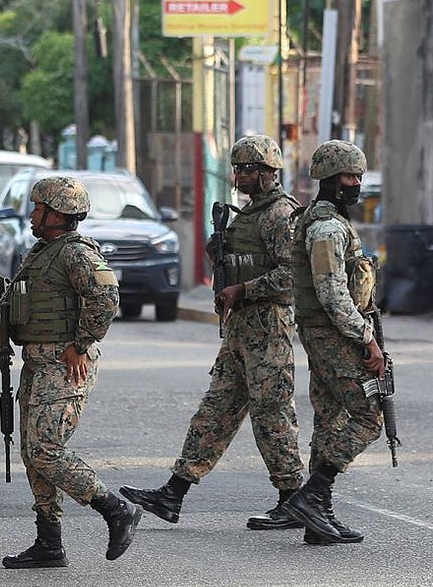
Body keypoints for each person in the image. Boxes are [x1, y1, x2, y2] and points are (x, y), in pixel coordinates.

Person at [120, 135, 304, 530]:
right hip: (240, 331)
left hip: (268, 331)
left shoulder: (281, 215)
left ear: (270, 172)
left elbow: (293, 276)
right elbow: (243, 260)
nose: (240, 176)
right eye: (236, 168)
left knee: (272, 415)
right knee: (214, 412)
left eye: (248, 169)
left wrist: (245, 289)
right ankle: (174, 492)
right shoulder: (248, 213)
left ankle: (293, 499)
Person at [0, 175, 141, 568]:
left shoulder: (75, 254)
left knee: (46, 450)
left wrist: (81, 343)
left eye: (38, 209)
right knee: (33, 453)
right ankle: (49, 542)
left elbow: (107, 297)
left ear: (57, 214)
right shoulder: (43, 252)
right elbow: (20, 300)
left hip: (63, 366)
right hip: (38, 365)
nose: (32, 216)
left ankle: (115, 510)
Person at [277, 139, 385, 545]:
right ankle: (313, 495)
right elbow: (332, 293)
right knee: (368, 417)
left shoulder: (331, 221)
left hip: (325, 333)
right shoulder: (324, 228)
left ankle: (317, 517)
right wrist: (366, 339)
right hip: (333, 334)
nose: (355, 183)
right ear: (328, 180)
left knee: (330, 420)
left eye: (358, 176)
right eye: (348, 177)